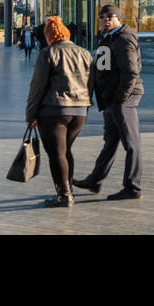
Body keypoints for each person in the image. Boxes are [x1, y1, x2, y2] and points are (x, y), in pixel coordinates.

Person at [74, 5, 144, 200]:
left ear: (118, 17)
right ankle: (94, 180)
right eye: (102, 17)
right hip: (111, 99)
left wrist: (121, 99)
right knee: (110, 142)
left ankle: (133, 188)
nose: (105, 19)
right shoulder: (107, 37)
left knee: (131, 144)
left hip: (123, 98)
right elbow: (102, 69)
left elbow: (131, 72)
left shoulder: (123, 39)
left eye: (109, 16)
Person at [26, 15, 94, 208]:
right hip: (79, 111)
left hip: (54, 111)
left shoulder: (48, 53)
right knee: (65, 151)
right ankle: (68, 190)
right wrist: (85, 104)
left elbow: (37, 88)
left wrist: (30, 115)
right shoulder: (85, 53)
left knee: (57, 154)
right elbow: (91, 83)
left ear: (49, 36)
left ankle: (63, 195)